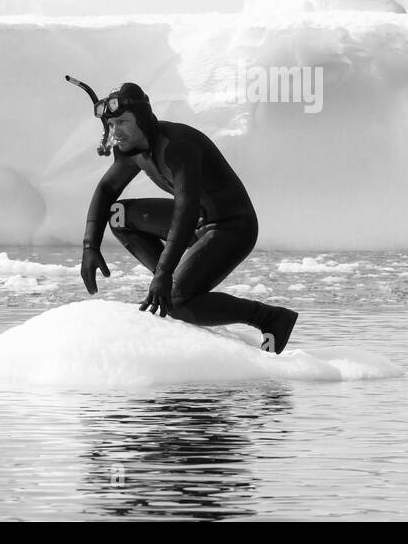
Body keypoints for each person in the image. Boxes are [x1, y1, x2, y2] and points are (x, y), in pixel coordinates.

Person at [77, 82, 298, 353]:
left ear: (143, 120)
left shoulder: (177, 146)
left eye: (122, 121)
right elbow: (106, 189)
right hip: (196, 223)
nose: (116, 131)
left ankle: (269, 317)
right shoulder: (129, 150)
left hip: (231, 227)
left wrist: (164, 272)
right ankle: (174, 285)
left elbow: (187, 208)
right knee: (119, 215)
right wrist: (90, 246)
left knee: (178, 302)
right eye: (111, 125)